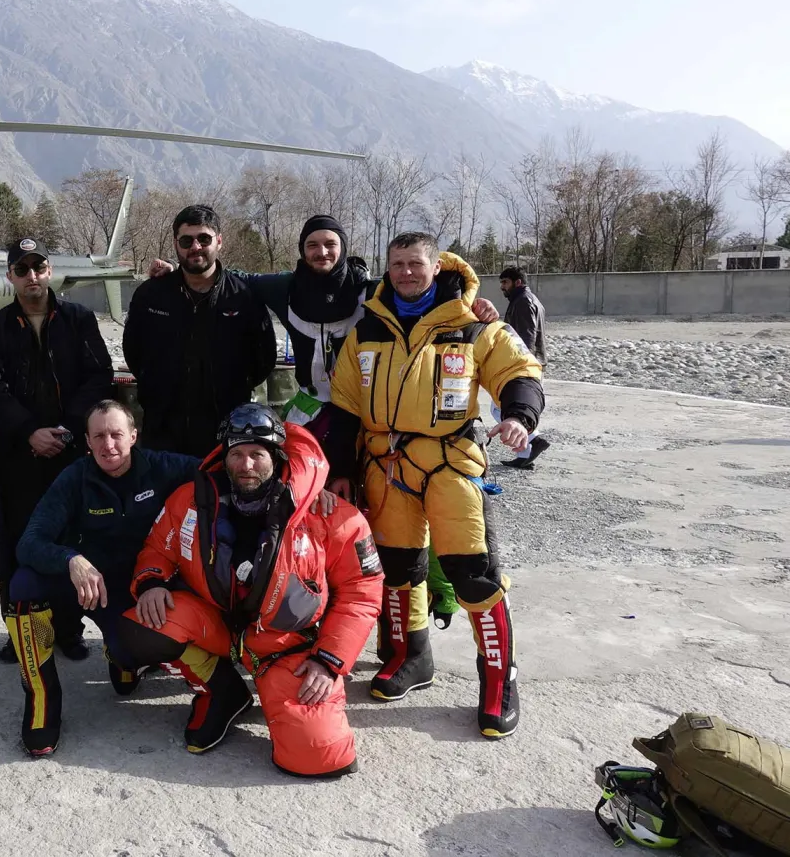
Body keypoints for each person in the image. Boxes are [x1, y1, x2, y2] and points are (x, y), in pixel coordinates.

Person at [323, 232, 544, 739]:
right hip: (386, 467)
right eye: (396, 263)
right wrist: (341, 469)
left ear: (436, 265)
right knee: (398, 569)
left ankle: (498, 678)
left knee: (475, 575)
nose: (404, 272)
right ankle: (410, 656)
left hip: (452, 463)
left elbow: (519, 372)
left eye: (415, 263)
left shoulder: (473, 326)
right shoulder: (368, 330)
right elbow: (343, 407)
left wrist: (519, 416)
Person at [118, 404, 383, 777]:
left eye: (257, 454)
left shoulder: (328, 513)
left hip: (288, 646)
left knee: (319, 755)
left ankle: (284, 696)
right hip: (220, 626)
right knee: (138, 629)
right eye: (237, 454)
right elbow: (157, 549)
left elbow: (363, 590)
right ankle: (224, 691)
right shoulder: (192, 500)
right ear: (224, 458)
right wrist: (150, 582)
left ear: (277, 457)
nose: (246, 465)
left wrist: (329, 661)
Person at [146, 214, 498, 433]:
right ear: (302, 251)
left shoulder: (371, 291)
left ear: (343, 248)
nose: (322, 252)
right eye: (312, 245)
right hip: (308, 407)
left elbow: (420, 287)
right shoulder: (284, 288)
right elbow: (233, 278)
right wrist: (180, 270)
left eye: (330, 244)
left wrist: (469, 304)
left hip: (365, 411)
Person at [4, 400, 201, 756]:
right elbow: (29, 542)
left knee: (129, 664)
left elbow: (229, 472)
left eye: (116, 435)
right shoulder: (74, 477)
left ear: (133, 436)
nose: (108, 445)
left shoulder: (162, 467)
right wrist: (71, 559)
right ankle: (41, 698)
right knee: (22, 587)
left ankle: (122, 659)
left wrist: (308, 488)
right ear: (87, 442)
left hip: (131, 587)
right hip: (81, 581)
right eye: (99, 436)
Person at [0, 236, 114, 663]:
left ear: (49, 271)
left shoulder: (78, 319)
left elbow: (98, 376)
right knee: (17, 540)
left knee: (70, 536)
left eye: (39, 267)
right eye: (22, 269)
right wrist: (30, 431)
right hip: (18, 455)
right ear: (11, 276)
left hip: (70, 453)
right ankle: (22, 631)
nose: (31, 276)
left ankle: (68, 630)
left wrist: (67, 430)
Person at [123, 204, 275, 458]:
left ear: (219, 241)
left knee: (218, 496)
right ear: (176, 244)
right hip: (162, 428)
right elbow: (133, 351)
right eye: (186, 240)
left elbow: (264, 359)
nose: (195, 247)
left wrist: (233, 388)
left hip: (224, 429)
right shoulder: (151, 294)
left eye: (204, 239)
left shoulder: (243, 297)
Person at [496, 266, 550, 469]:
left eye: (505, 282)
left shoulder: (523, 302)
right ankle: (527, 451)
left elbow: (526, 336)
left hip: (523, 365)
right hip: (531, 363)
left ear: (517, 282)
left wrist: (517, 364)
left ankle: (534, 441)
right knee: (512, 407)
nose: (502, 287)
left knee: (504, 406)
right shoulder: (530, 299)